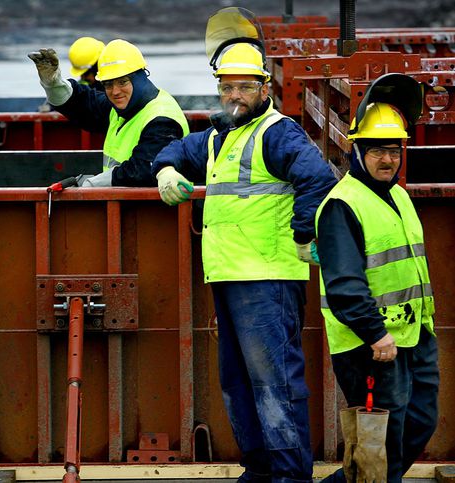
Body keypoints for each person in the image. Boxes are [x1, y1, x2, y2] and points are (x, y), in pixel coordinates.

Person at [152, 39, 337, 481]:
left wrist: (302, 234)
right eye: (226, 88)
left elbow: (317, 178)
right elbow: (180, 149)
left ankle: (290, 475)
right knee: (238, 384)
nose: (234, 96)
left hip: (268, 278)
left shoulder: (278, 133)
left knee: (276, 383)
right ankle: (259, 468)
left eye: (243, 88)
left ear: (263, 88)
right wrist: (167, 169)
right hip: (231, 275)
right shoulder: (222, 138)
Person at [316, 74, 438, 483]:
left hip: (413, 336)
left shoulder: (398, 195)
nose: (388, 160)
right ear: (357, 152)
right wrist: (375, 334)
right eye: (377, 151)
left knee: (420, 422)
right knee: (378, 444)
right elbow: (345, 285)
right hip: (372, 347)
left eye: (394, 150)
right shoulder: (342, 206)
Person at [29, 39, 189, 187]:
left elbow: (144, 169)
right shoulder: (120, 107)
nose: (115, 91)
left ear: (141, 77)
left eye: (123, 82)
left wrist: (90, 184)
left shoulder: (161, 119)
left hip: (159, 214)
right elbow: (83, 102)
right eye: (108, 84)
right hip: (123, 208)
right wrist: (53, 83)